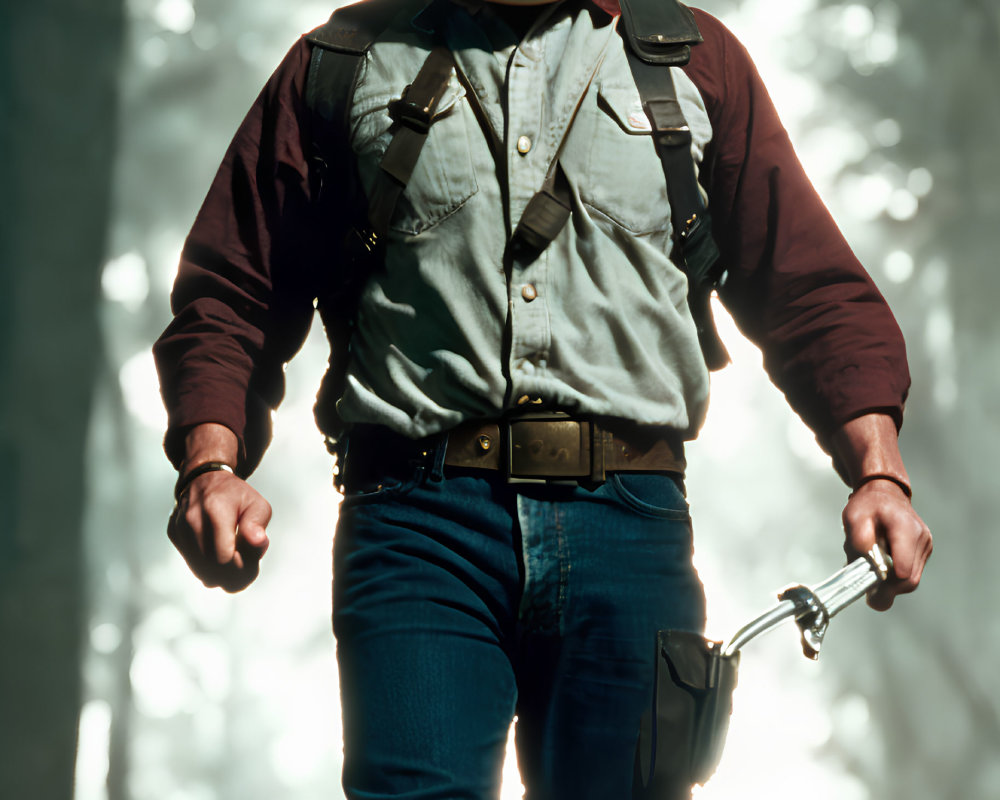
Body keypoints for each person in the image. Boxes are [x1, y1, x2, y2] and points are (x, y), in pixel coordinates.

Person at [154, 0, 933, 797]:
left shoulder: (695, 63)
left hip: (632, 526)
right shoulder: (342, 62)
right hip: (417, 527)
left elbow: (808, 290)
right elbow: (233, 290)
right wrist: (210, 465)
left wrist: (879, 473)